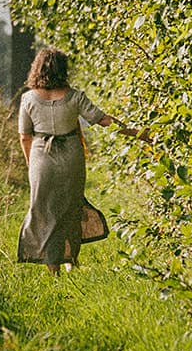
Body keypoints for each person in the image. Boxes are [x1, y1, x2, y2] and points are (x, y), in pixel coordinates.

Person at [17, 46, 140, 276]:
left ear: (37, 69)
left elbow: (25, 136)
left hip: (40, 158)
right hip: (71, 157)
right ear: (63, 70)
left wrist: (30, 163)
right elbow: (102, 119)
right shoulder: (74, 97)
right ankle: (71, 261)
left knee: (44, 210)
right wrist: (135, 132)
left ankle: (53, 268)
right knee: (71, 208)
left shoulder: (28, 99)